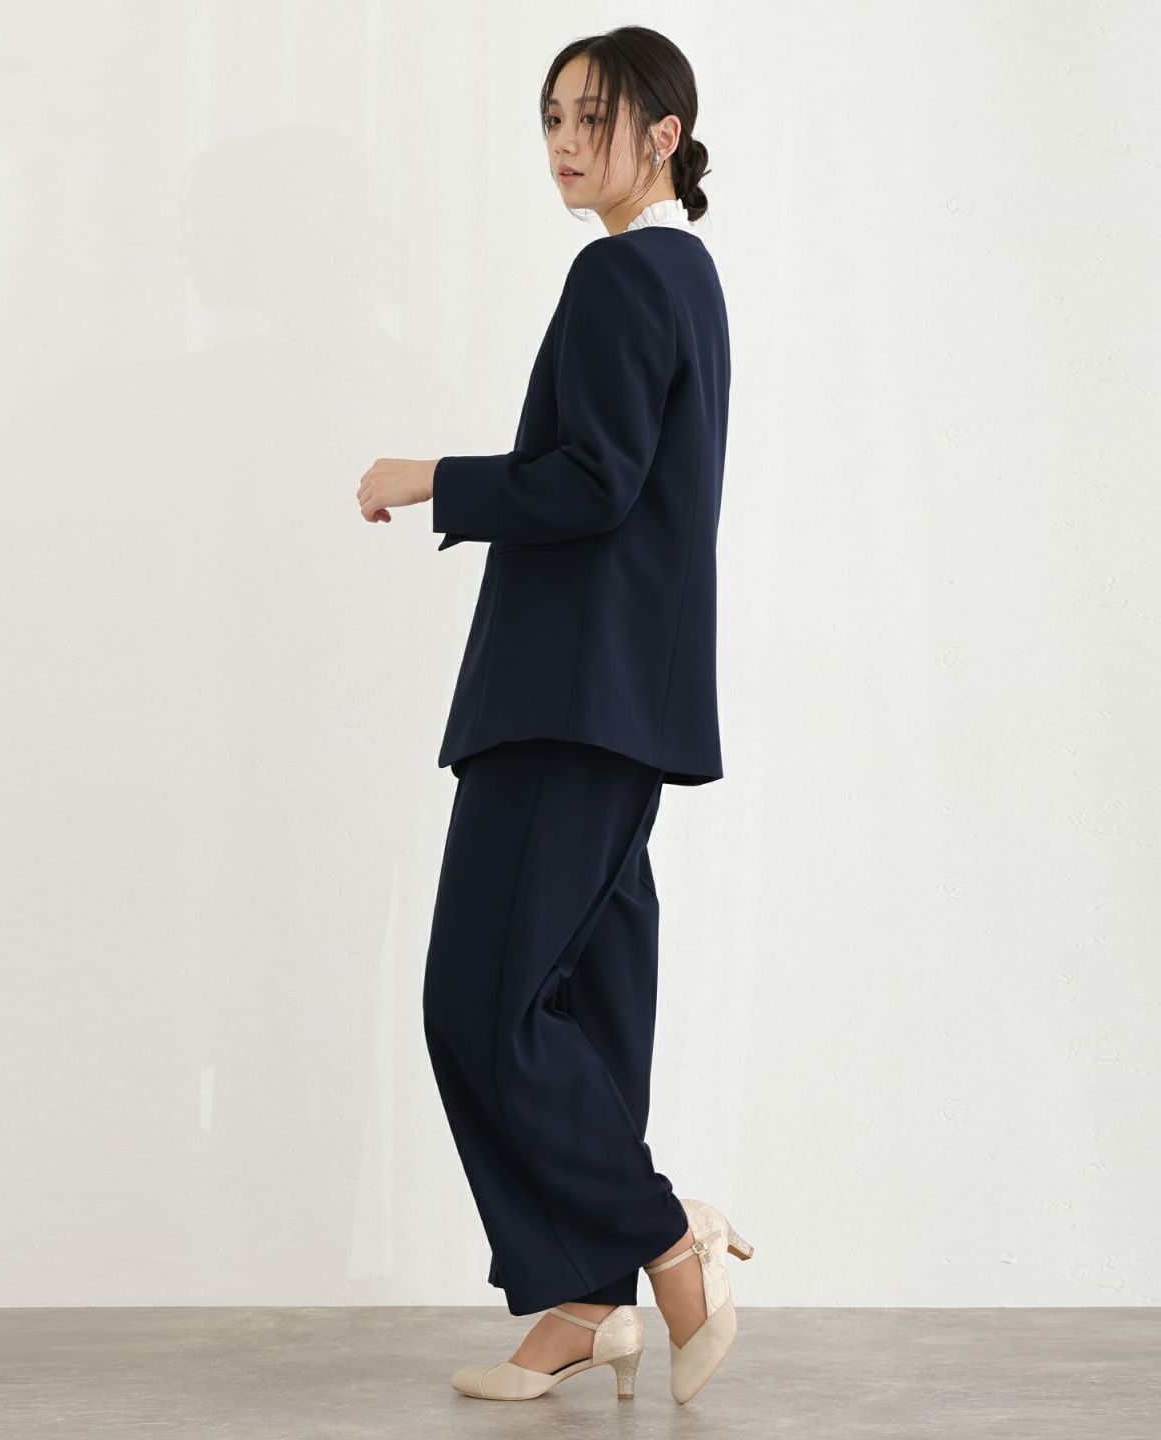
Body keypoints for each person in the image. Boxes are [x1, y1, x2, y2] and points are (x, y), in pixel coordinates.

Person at [357, 26, 749, 1405]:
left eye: (596, 117)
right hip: (622, 698)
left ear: (664, 134)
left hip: (568, 697)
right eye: (552, 118)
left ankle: (660, 1234)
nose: (567, 143)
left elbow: (595, 480)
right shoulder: (685, 278)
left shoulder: (622, 272)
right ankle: (588, 1302)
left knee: (479, 1003)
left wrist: (436, 475)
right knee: (582, 998)